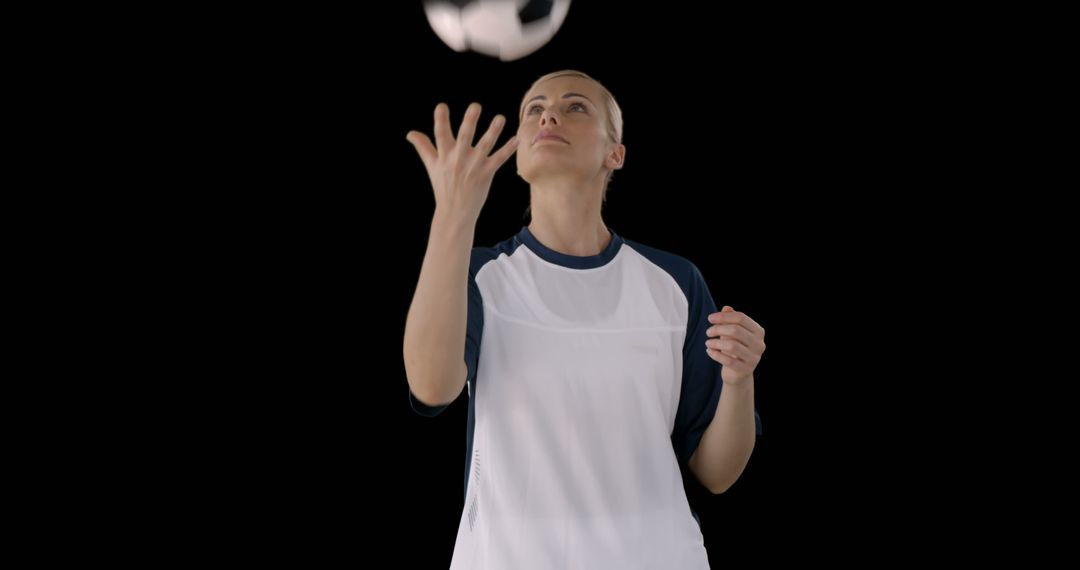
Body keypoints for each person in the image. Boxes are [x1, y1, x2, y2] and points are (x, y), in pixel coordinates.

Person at [403, 70, 765, 569]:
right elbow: (430, 385)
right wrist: (453, 215)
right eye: (534, 108)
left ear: (615, 154)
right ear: (520, 155)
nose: (548, 114)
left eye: (576, 106)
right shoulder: (480, 273)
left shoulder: (676, 283)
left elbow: (718, 473)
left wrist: (740, 381)